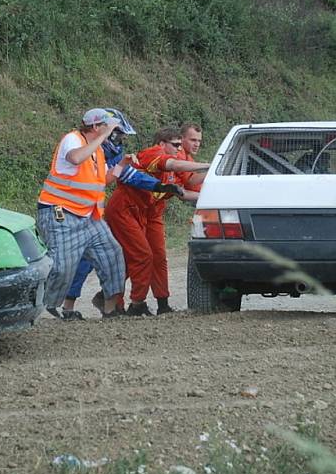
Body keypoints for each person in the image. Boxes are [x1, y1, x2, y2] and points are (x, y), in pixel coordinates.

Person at [59, 109, 183, 320]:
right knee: (82, 259)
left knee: (106, 257)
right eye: (117, 134)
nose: (120, 139)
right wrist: (157, 184)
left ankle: (103, 308)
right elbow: (123, 176)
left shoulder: (105, 151)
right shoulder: (79, 144)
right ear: (101, 129)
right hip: (70, 210)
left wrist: (156, 184)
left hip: (91, 210)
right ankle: (70, 306)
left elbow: (120, 175)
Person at [105, 126, 210, 316]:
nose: (180, 149)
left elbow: (186, 187)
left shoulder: (180, 161)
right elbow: (173, 166)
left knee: (158, 257)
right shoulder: (154, 153)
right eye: (176, 144)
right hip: (126, 208)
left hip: (150, 210)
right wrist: (210, 166)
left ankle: (161, 302)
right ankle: (127, 303)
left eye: (181, 145)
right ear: (162, 144)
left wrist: (211, 194)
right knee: (139, 257)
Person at [37, 108, 129, 319]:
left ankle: (110, 310)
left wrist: (122, 166)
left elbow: (102, 180)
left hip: (89, 216)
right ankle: (44, 310)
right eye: (112, 129)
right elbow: (75, 158)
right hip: (60, 213)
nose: (115, 135)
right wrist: (104, 136)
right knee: (62, 267)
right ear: (96, 127)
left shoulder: (97, 150)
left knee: (113, 254)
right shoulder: (73, 139)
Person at [175, 122, 206, 196]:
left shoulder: (187, 156)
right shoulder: (178, 153)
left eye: (199, 141)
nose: (197, 145)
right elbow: (190, 181)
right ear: (181, 139)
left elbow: (192, 184)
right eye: (193, 140)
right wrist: (212, 171)